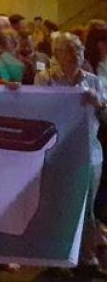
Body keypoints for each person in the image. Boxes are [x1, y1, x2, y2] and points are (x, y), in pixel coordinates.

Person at [35, 32, 107, 267]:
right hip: (57, 153)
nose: (77, 54)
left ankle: (86, 254)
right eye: (70, 49)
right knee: (58, 204)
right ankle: (57, 255)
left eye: (80, 49)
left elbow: (105, 116)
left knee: (86, 207)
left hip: (89, 153)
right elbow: (35, 111)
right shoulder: (45, 80)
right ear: (57, 54)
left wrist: (99, 103)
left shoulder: (94, 82)